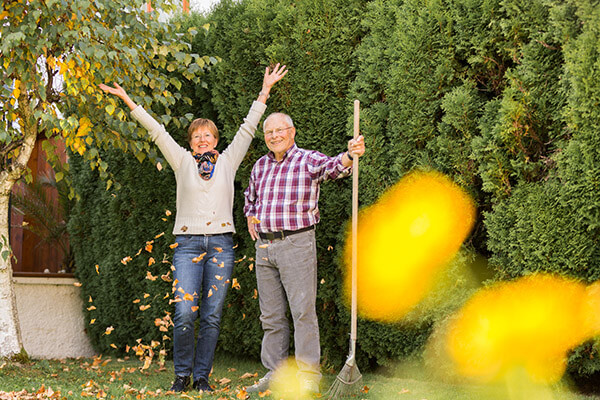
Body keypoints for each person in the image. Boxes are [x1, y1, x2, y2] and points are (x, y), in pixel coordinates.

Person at [99, 63, 288, 393]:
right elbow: (156, 130)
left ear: (216, 140)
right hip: (187, 244)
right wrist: (129, 101)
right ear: (190, 143)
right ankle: (182, 375)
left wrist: (265, 91)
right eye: (197, 136)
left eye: (208, 135)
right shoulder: (182, 161)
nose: (202, 140)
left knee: (212, 317)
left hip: (221, 245)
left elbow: (248, 127)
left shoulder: (228, 161)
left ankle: (202, 377)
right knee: (185, 313)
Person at [243, 112, 365, 393]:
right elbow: (250, 198)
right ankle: (275, 373)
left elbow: (335, 167)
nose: (274, 136)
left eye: (279, 130)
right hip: (264, 248)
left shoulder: (307, 160)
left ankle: (308, 374)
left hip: (296, 244)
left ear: (292, 132)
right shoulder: (260, 166)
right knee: (271, 317)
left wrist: (350, 153)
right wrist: (250, 217)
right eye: (269, 132)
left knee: (303, 312)